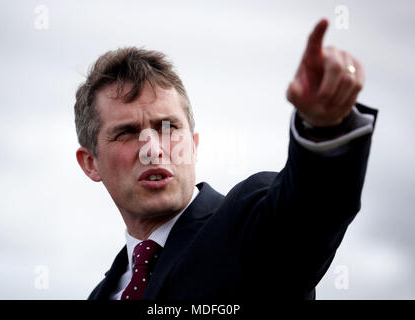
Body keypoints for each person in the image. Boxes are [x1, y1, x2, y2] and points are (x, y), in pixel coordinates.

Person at [74, 19, 377, 300]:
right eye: (126, 133)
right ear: (90, 163)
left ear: (193, 145)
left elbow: (311, 209)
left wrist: (324, 128)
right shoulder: (102, 293)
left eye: (168, 128)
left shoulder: (248, 228)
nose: (152, 148)